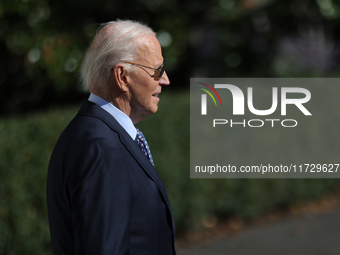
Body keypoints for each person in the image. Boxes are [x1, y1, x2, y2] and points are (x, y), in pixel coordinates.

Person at [46, 20, 175, 255]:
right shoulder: (101, 148)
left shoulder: (92, 134)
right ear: (122, 76)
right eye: (157, 70)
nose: (165, 79)